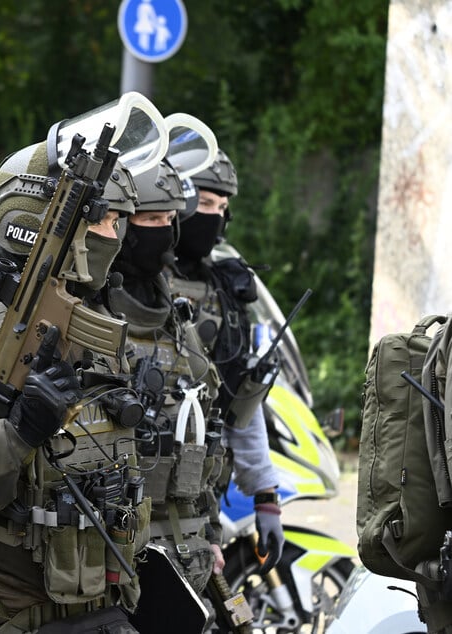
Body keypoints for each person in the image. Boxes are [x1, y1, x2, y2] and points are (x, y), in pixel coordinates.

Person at [0, 115, 161, 632]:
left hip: (97, 614)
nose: (116, 235)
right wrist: (16, 434)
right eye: (103, 221)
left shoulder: (97, 333)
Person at [105, 158, 227, 598]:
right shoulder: (89, 318)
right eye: (151, 218)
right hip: (110, 552)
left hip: (184, 545)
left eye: (170, 219)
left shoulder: (181, 325)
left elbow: (206, 440)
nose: (164, 230)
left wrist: (211, 533)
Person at [167, 149, 284, 574]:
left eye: (221, 207)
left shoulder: (224, 290)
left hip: (201, 500)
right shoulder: (127, 280)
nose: (212, 216)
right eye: (205, 202)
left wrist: (265, 495)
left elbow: (241, 403)